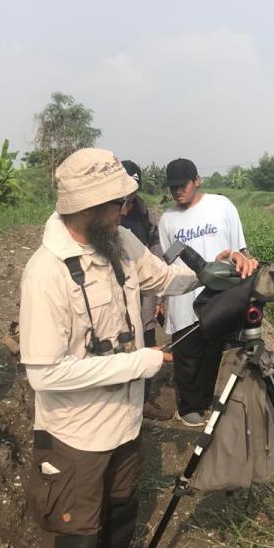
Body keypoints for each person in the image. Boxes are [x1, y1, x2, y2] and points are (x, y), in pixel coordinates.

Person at [19, 148, 256, 548]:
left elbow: (164, 278)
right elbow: (45, 375)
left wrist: (212, 272)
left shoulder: (121, 242)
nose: (127, 209)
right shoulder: (46, 272)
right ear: (88, 207)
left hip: (126, 426)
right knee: (76, 540)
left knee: (118, 526)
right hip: (77, 439)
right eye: (118, 202)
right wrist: (142, 361)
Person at [158, 158, 254, 427]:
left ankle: (211, 400)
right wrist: (161, 299)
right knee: (186, 353)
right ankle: (189, 407)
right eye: (173, 187)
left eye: (183, 185)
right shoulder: (167, 220)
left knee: (215, 349)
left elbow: (241, 250)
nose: (178, 191)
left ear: (197, 180)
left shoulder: (221, 206)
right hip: (182, 295)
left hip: (221, 295)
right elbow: (164, 264)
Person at [119, 159, 170, 421]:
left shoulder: (143, 211)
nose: (127, 205)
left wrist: (160, 295)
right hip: (117, 289)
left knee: (147, 337)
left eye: (133, 194)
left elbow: (156, 248)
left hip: (145, 286)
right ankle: (122, 403)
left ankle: (143, 399)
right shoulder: (107, 213)